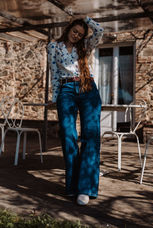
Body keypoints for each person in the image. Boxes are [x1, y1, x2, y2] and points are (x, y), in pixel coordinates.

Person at [47, 16, 104, 206]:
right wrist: (55, 98)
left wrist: (86, 19)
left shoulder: (85, 46)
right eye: (75, 31)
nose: (77, 36)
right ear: (68, 28)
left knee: (90, 135)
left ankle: (85, 189)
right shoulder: (53, 47)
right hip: (66, 90)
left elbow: (100, 32)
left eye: (80, 34)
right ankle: (72, 186)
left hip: (88, 88)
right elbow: (54, 74)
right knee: (68, 135)